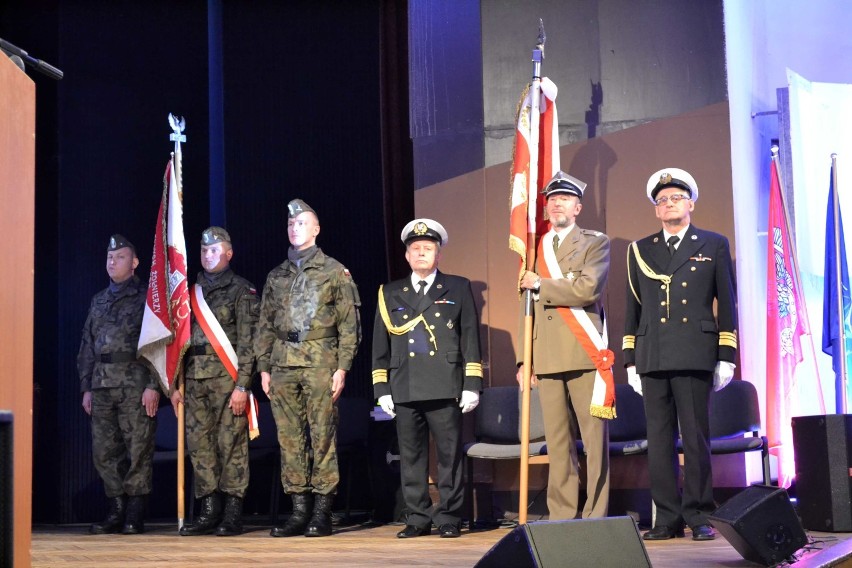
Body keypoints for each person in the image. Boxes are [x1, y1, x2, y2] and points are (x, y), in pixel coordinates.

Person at [623, 168, 737, 541]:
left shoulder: (713, 243)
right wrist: (629, 360)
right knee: (658, 442)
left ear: (691, 203)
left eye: (676, 198)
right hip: (653, 355)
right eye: (662, 200)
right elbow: (632, 309)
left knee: (695, 439)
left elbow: (728, 304)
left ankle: (700, 514)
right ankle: (666, 519)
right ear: (656, 210)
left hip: (694, 352)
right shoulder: (640, 250)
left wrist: (726, 354)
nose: (669, 204)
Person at [255, 198, 361, 538]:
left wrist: (342, 367)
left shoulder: (334, 271)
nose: (294, 228)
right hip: (283, 364)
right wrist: (264, 367)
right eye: (290, 224)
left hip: (320, 363)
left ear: (316, 230)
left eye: (301, 223)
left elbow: (349, 325)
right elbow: (265, 325)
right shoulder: (276, 275)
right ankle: (298, 511)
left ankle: (322, 512)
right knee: (289, 439)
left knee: (322, 436)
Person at [372, 218, 483, 538]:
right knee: (411, 458)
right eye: (415, 249)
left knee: (449, 457)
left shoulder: (458, 287)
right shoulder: (389, 292)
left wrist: (471, 384)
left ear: (438, 255)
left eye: (428, 248)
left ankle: (449, 517)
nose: (421, 253)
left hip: (445, 382)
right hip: (404, 385)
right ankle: (418, 518)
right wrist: (382, 388)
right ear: (407, 256)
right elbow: (380, 345)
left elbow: (469, 338)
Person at [516, 171, 612, 521]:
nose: (557, 203)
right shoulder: (533, 246)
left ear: (578, 207)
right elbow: (525, 307)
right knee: (558, 443)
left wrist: (543, 283)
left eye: (565, 199)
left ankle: (595, 515)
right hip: (545, 354)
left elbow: (587, 289)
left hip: (583, 351)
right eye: (552, 199)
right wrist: (522, 360)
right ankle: (561, 514)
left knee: (594, 441)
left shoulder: (594, 242)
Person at [170, 227, 259, 536]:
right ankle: (209, 511)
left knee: (231, 445)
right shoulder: (185, 294)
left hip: (227, 378)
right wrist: (173, 387)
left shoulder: (241, 290)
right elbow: (176, 343)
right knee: (200, 446)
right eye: (204, 251)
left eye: (215, 250)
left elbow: (249, 344)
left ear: (228, 253)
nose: (208, 255)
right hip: (193, 380)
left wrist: (243, 386)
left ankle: (233, 513)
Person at [77, 235, 160, 535]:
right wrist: (86, 386)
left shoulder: (146, 297)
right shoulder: (98, 300)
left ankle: (135, 513)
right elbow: (87, 344)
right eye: (110, 257)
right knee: (104, 451)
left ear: (135, 262)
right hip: (101, 385)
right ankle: (116, 509)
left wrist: (154, 384)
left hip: (134, 383)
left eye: (120, 257)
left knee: (138, 448)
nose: (112, 262)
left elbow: (157, 344)